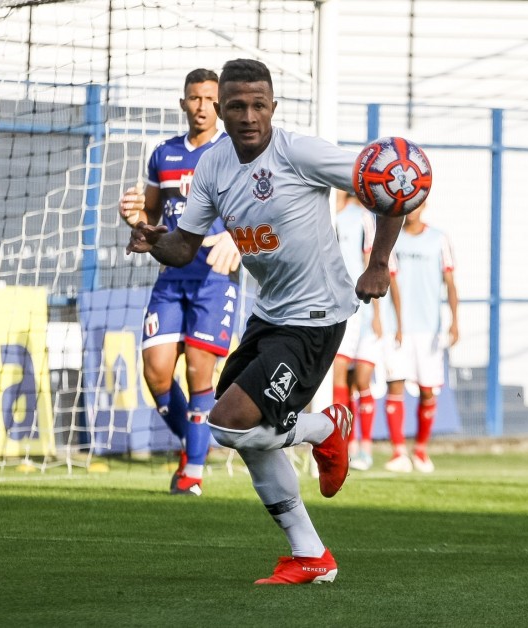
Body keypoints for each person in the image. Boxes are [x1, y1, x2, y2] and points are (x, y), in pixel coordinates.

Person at [125, 58, 403, 584]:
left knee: (232, 420)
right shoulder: (211, 167)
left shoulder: (298, 152)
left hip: (317, 318)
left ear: (273, 107)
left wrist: (378, 263)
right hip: (269, 314)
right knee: (235, 431)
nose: (248, 115)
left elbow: (390, 186)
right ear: (222, 112)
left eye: (258, 105)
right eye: (236, 106)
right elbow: (184, 248)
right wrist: (151, 238)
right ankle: (309, 556)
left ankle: (325, 427)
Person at [118, 68, 240, 496]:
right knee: (155, 374)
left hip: (214, 275)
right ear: (183, 103)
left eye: (210, 99)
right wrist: (134, 217)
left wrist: (237, 238)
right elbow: (149, 217)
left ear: (221, 105)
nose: (202, 107)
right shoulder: (164, 154)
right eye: (195, 98)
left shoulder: (235, 151)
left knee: (198, 371)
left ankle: (192, 470)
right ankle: (194, 443)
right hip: (171, 274)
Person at [382, 202, 459, 473]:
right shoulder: (391, 238)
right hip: (397, 327)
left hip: (430, 329)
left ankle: (421, 451)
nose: (411, 211)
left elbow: (450, 282)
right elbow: (391, 284)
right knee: (395, 385)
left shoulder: (439, 239)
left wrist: (454, 321)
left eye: (416, 206)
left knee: (428, 390)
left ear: (425, 205)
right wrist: (397, 322)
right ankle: (398, 452)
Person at [332, 191, 386, 471]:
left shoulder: (363, 218)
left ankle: (364, 446)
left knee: (359, 378)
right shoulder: (330, 216)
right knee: (342, 374)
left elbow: (370, 263)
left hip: (360, 308)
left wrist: (376, 312)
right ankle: (345, 445)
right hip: (338, 306)